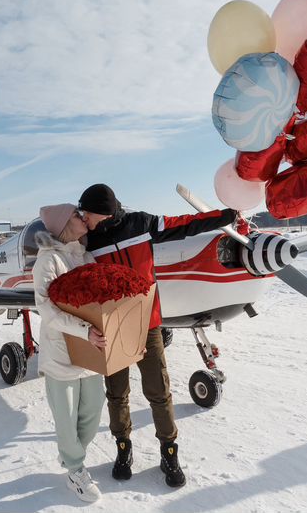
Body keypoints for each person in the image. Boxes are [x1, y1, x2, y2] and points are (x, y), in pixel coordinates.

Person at [78, 184, 237, 487]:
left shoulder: (140, 223)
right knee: (117, 393)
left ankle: (169, 453)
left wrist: (224, 216)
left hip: (148, 324)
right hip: (113, 327)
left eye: (87, 212)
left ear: (103, 211)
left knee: (159, 392)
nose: (84, 217)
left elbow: (185, 225)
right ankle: (123, 450)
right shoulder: (88, 240)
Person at [33, 203, 108, 503]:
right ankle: (75, 470)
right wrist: (84, 331)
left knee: (93, 409)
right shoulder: (47, 261)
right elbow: (47, 310)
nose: (83, 217)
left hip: (87, 350)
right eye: (77, 215)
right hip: (60, 352)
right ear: (64, 224)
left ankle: (71, 455)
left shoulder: (85, 256)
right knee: (66, 416)